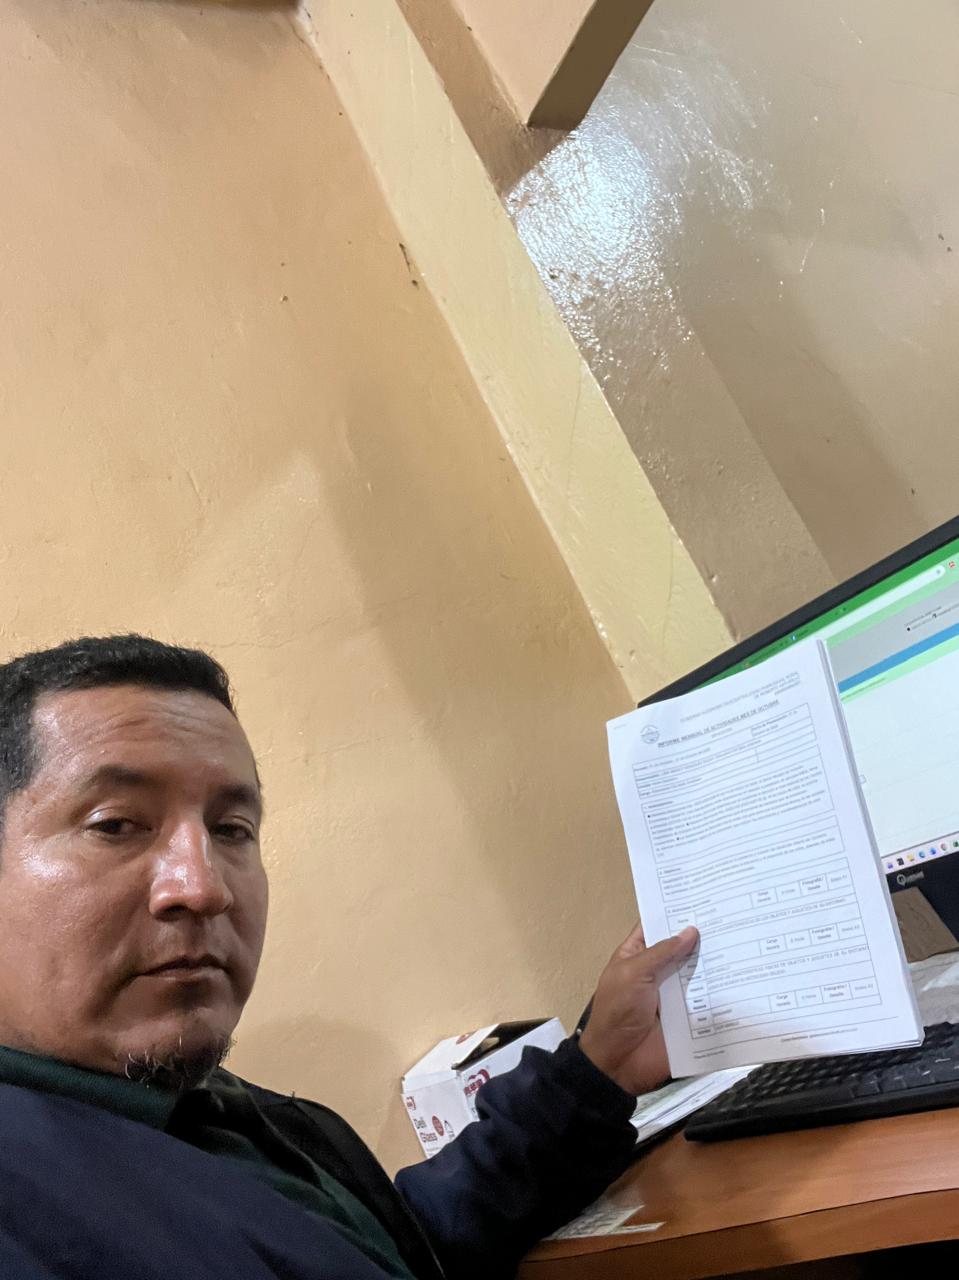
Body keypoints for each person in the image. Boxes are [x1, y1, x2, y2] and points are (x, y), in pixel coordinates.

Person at [0, 634, 698, 1280]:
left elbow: (398, 1248)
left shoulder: (206, 1107)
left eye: (231, 829)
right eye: (115, 825)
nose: (205, 887)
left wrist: (597, 1069)